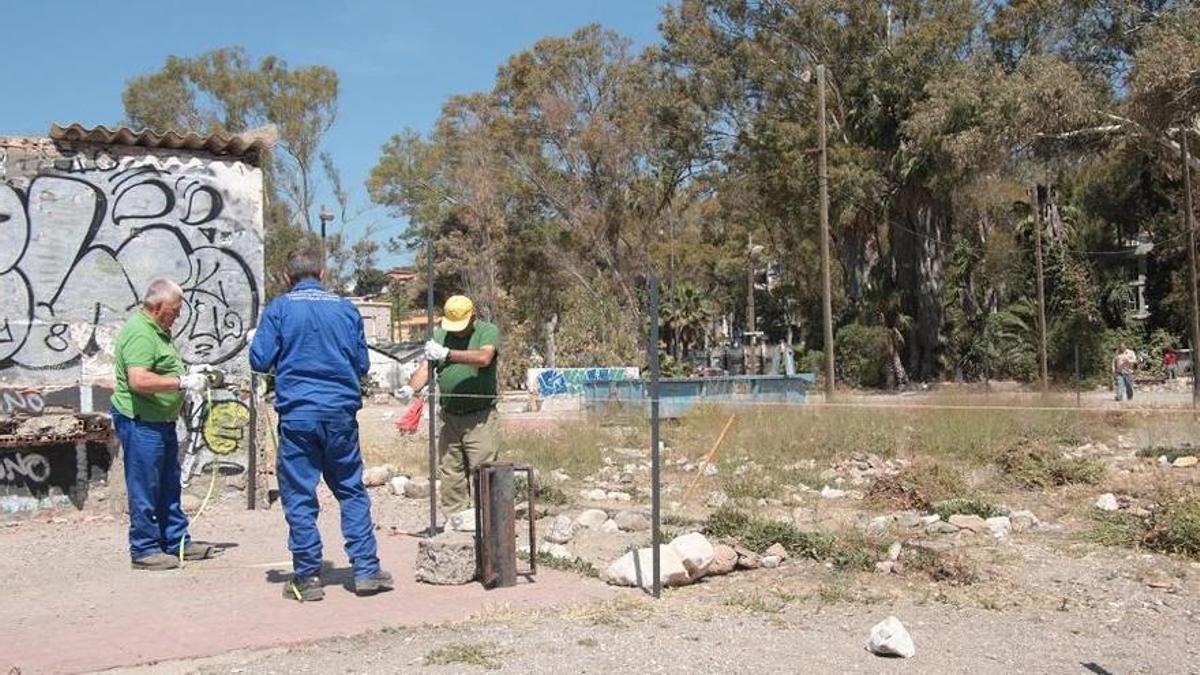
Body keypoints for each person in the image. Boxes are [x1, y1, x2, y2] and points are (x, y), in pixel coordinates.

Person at [249, 248, 392, 602]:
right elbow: (361, 363)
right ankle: (366, 569)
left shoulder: (280, 309)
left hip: (298, 415)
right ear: (323, 274)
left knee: (299, 495)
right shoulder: (346, 309)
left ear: (287, 277)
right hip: (340, 414)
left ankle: (307, 577)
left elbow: (259, 359)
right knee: (350, 490)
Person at [111, 279, 215, 570]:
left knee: (169, 484)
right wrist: (181, 382)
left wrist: (191, 371)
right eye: (174, 309)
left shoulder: (159, 331)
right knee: (145, 486)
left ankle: (176, 541)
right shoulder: (141, 333)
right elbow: (139, 380)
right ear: (156, 307)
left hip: (160, 421)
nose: (178, 315)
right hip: (141, 422)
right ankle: (144, 549)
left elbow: (161, 365)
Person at [403, 295, 500, 522]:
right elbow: (426, 367)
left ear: (472, 317)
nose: (456, 332)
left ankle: (488, 522)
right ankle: (456, 519)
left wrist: (448, 354)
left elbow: (485, 357)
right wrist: (410, 389)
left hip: (480, 418)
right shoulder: (440, 336)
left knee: (484, 470)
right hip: (450, 417)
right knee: (451, 471)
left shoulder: (487, 331)